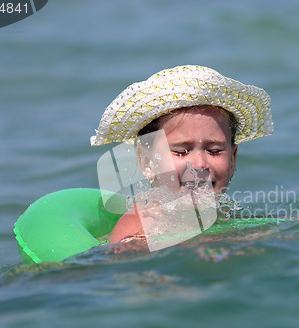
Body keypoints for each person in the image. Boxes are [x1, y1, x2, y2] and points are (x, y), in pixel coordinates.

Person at [90, 65, 273, 246]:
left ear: (232, 159)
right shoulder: (141, 225)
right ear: (147, 162)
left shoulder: (224, 212)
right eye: (181, 152)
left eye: (214, 151)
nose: (200, 164)